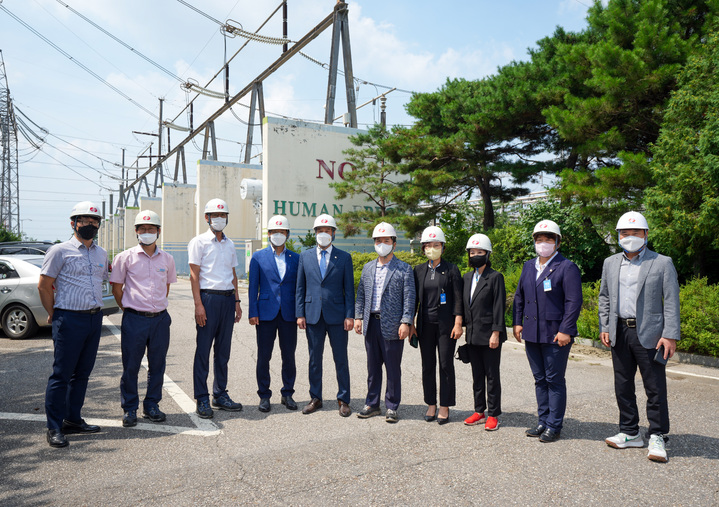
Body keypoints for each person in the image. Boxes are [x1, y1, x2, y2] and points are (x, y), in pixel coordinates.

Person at [598, 211, 680, 463]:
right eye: (625, 233)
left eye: (635, 233)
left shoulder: (661, 262)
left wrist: (670, 335)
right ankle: (630, 431)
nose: (630, 237)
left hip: (652, 334)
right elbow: (605, 297)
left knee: (654, 387)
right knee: (622, 384)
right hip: (619, 331)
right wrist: (605, 325)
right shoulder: (610, 262)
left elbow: (671, 301)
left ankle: (657, 434)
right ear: (618, 236)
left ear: (646, 234)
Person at [37, 201, 108, 448]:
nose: (90, 225)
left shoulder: (101, 253)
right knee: (62, 375)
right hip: (69, 318)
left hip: (94, 318)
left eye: (94, 221)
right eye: (84, 221)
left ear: (99, 224)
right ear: (73, 223)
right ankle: (54, 426)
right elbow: (44, 286)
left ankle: (73, 419)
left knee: (83, 374)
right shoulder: (60, 251)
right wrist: (53, 314)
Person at [513, 219, 582, 443]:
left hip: (556, 334)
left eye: (548, 239)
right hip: (532, 332)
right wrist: (517, 322)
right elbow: (519, 297)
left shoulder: (566, 267)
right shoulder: (528, 266)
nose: (543, 243)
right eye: (539, 239)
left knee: (554, 379)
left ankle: (554, 425)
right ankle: (543, 420)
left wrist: (566, 330)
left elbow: (574, 301)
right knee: (539, 379)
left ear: (557, 242)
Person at [110, 210, 177, 427]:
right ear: (136, 232)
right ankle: (130, 408)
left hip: (160, 320)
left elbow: (165, 287)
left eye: (151, 229)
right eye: (142, 229)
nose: (146, 232)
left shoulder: (167, 259)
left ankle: (152, 405)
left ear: (158, 231)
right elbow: (117, 287)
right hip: (134, 319)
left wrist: (154, 307)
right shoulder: (125, 257)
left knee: (158, 365)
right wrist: (130, 308)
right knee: (131, 366)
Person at [354, 223, 415, 423]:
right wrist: (358, 317)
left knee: (392, 368)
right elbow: (361, 295)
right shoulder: (368, 268)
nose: (382, 244)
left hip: (393, 325)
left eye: (386, 241)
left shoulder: (404, 269)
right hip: (371, 324)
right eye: (378, 241)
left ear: (394, 245)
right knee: (373, 368)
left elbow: (409, 298)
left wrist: (406, 321)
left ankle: (391, 406)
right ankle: (372, 404)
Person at [188, 198, 243, 419]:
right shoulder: (198, 242)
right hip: (208, 299)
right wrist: (198, 305)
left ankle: (219, 394)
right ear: (206, 218)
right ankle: (202, 398)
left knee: (223, 351)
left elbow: (233, 275)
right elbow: (194, 275)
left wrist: (237, 302)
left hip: (228, 300)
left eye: (223, 215)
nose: (219, 219)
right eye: (215, 215)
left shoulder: (230, 244)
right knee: (203, 351)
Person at [296, 214, 355, 417]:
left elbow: (349, 289)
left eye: (327, 230)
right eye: (320, 230)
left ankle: (343, 399)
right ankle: (315, 398)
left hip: (338, 316)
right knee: (314, 359)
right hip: (312, 315)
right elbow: (300, 288)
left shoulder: (344, 258)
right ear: (315, 233)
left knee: (341, 359)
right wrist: (300, 314)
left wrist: (350, 315)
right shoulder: (305, 256)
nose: (323, 234)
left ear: (334, 233)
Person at [412, 226, 463, 425]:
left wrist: (458, 323)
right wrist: (412, 323)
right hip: (425, 325)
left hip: (446, 325)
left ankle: (444, 406)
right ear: (423, 248)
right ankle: (431, 404)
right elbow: (414, 300)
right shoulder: (419, 270)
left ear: (443, 247)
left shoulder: (451, 269)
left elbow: (458, 299)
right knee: (427, 366)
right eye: (428, 245)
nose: (432, 248)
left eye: (436, 245)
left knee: (445, 364)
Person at [248, 215, 299, 412]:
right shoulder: (258, 257)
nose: (278, 235)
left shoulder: (296, 258)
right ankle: (264, 395)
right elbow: (253, 287)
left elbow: (299, 288)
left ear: (287, 234)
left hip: (289, 314)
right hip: (265, 313)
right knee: (263, 356)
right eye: (274, 232)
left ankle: (288, 393)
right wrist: (253, 311)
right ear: (268, 234)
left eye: (282, 232)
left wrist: (300, 313)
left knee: (289, 356)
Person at [461, 234, 506, 431]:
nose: (476, 255)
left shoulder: (495, 277)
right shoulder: (467, 277)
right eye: (472, 252)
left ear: (488, 254)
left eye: (480, 252)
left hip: (490, 336)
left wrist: (496, 332)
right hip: (472, 335)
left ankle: (493, 414)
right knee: (476, 375)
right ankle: (479, 411)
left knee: (492, 375)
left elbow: (498, 307)